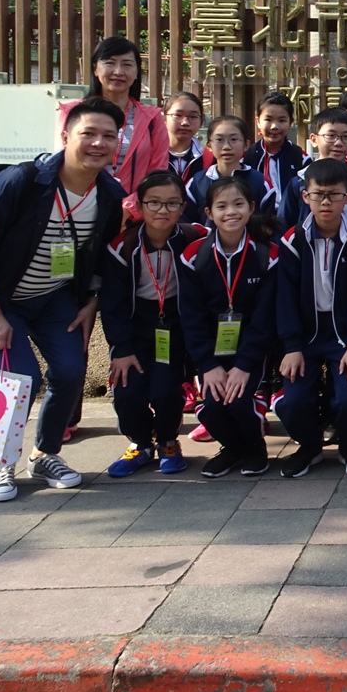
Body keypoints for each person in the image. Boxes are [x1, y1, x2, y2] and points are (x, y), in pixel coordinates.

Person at [0, 98, 127, 503]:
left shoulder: (109, 192)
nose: (99, 143)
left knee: (70, 371)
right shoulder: (22, 181)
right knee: (19, 378)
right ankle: (0, 462)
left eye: (108, 136)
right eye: (88, 133)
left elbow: (99, 255)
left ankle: (45, 454)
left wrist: (90, 302)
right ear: (65, 136)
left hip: (53, 299)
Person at [273, 158, 347, 479]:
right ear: (305, 196)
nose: (325, 202)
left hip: (344, 336)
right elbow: (285, 297)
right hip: (304, 336)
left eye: (334, 195)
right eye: (318, 195)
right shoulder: (292, 240)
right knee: (293, 401)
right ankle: (309, 446)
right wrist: (292, 346)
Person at [101, 171, 207, 478]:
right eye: (154, 203)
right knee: (128, 390)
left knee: (166, 389)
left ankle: (168, 442)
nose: (163, 210)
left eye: (172, 203)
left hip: (174, 323)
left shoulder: (195, 237)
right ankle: (140, 443)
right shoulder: (122, 246)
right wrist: (121, 347)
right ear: (139, 205)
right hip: (134, 325)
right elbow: (113, 302)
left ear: (183, 206)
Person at [178, 176, 279, 478]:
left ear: (251, 208)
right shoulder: (193, 256)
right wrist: (207, 365)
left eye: (238, 204)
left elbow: (265, 317)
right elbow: (191, 316)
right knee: (211, 407)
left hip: (252, 349)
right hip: (211, 349)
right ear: (208, 213)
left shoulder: (268, 255)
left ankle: (255, 449)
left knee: (239, 402)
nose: (231, 212)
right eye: (221, 206)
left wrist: (244, 365)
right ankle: (234, 448)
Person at [56, 35, 170, 218]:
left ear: (137, 72)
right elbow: (62, 162)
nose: (118, 71)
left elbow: (158, 173)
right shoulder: (72, 113)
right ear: (95, 69)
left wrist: (128, 210)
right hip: (77, 209)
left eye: (127, 64)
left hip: (132, 218)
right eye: (110, 63)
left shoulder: (152, 118)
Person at [279, 109, 347, 229]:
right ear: (314, 139)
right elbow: (283, 224)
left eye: (346, 137)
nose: (338, 143)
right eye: (331, 136)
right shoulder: (299, 182)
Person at [183, 115, 272, 224]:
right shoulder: (197, 182)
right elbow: (187, 222)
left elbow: (269, 223)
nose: (226, 147)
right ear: (209, 145)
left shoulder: (260, 182)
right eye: (219, 140)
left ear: (246, 144)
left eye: (233, 139)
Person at [245, 91, 306, 199]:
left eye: (282, 120)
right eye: (268, 119)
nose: (274, 126)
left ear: (290, 122)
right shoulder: (247, 156)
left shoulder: (301, 158)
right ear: (258, 121)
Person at [163, 92, 205, 178]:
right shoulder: (150, 156)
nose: (185, 122)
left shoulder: (209, 159)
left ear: (201, 121)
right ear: (164, 118)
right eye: (178, 115)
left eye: (193, 117)